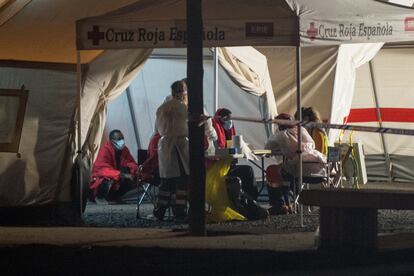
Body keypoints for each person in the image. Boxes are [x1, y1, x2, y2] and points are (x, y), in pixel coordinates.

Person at [265, 113, 327, 215]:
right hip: (319, 169)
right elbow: (312, 144)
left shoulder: (280, 135)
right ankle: (290, 201)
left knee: (272, 170)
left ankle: (279, 205)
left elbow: (267, 148)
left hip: (299, 170)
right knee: (284, 170)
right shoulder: (302, 130)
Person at [153, 80, 189, 221]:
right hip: (179, 145)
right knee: (181, 180)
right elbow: (189, 128)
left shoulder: (161, 108)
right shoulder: (184, 108)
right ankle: (179, 211)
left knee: (167, 180)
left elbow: (156, 129)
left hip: (165, 144)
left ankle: (159, 210)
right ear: (183, 92)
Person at [212, 108, 258, 200]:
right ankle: (250, 200)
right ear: (220, 118)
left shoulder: (228, 130)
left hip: (228, 165)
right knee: (247, 171)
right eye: (227, 119)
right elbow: (217, 150)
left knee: (247, 171)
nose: (229, 121)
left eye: (230, 119)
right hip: (218, 168)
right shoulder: (214, 131)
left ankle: (250, 200)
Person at [89, 129, 138, 203]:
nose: (122, 141)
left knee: (134, 178)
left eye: (122, 138)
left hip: (116, 180)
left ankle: (114, 197)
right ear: (112, 141)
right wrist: (121, 174)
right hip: (99, 181)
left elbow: (131, 163)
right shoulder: (105, 150)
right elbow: (102, 170)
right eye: (119, 139)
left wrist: (134, 172)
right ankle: (99, 197)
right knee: (107, 178)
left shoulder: (124, 150)